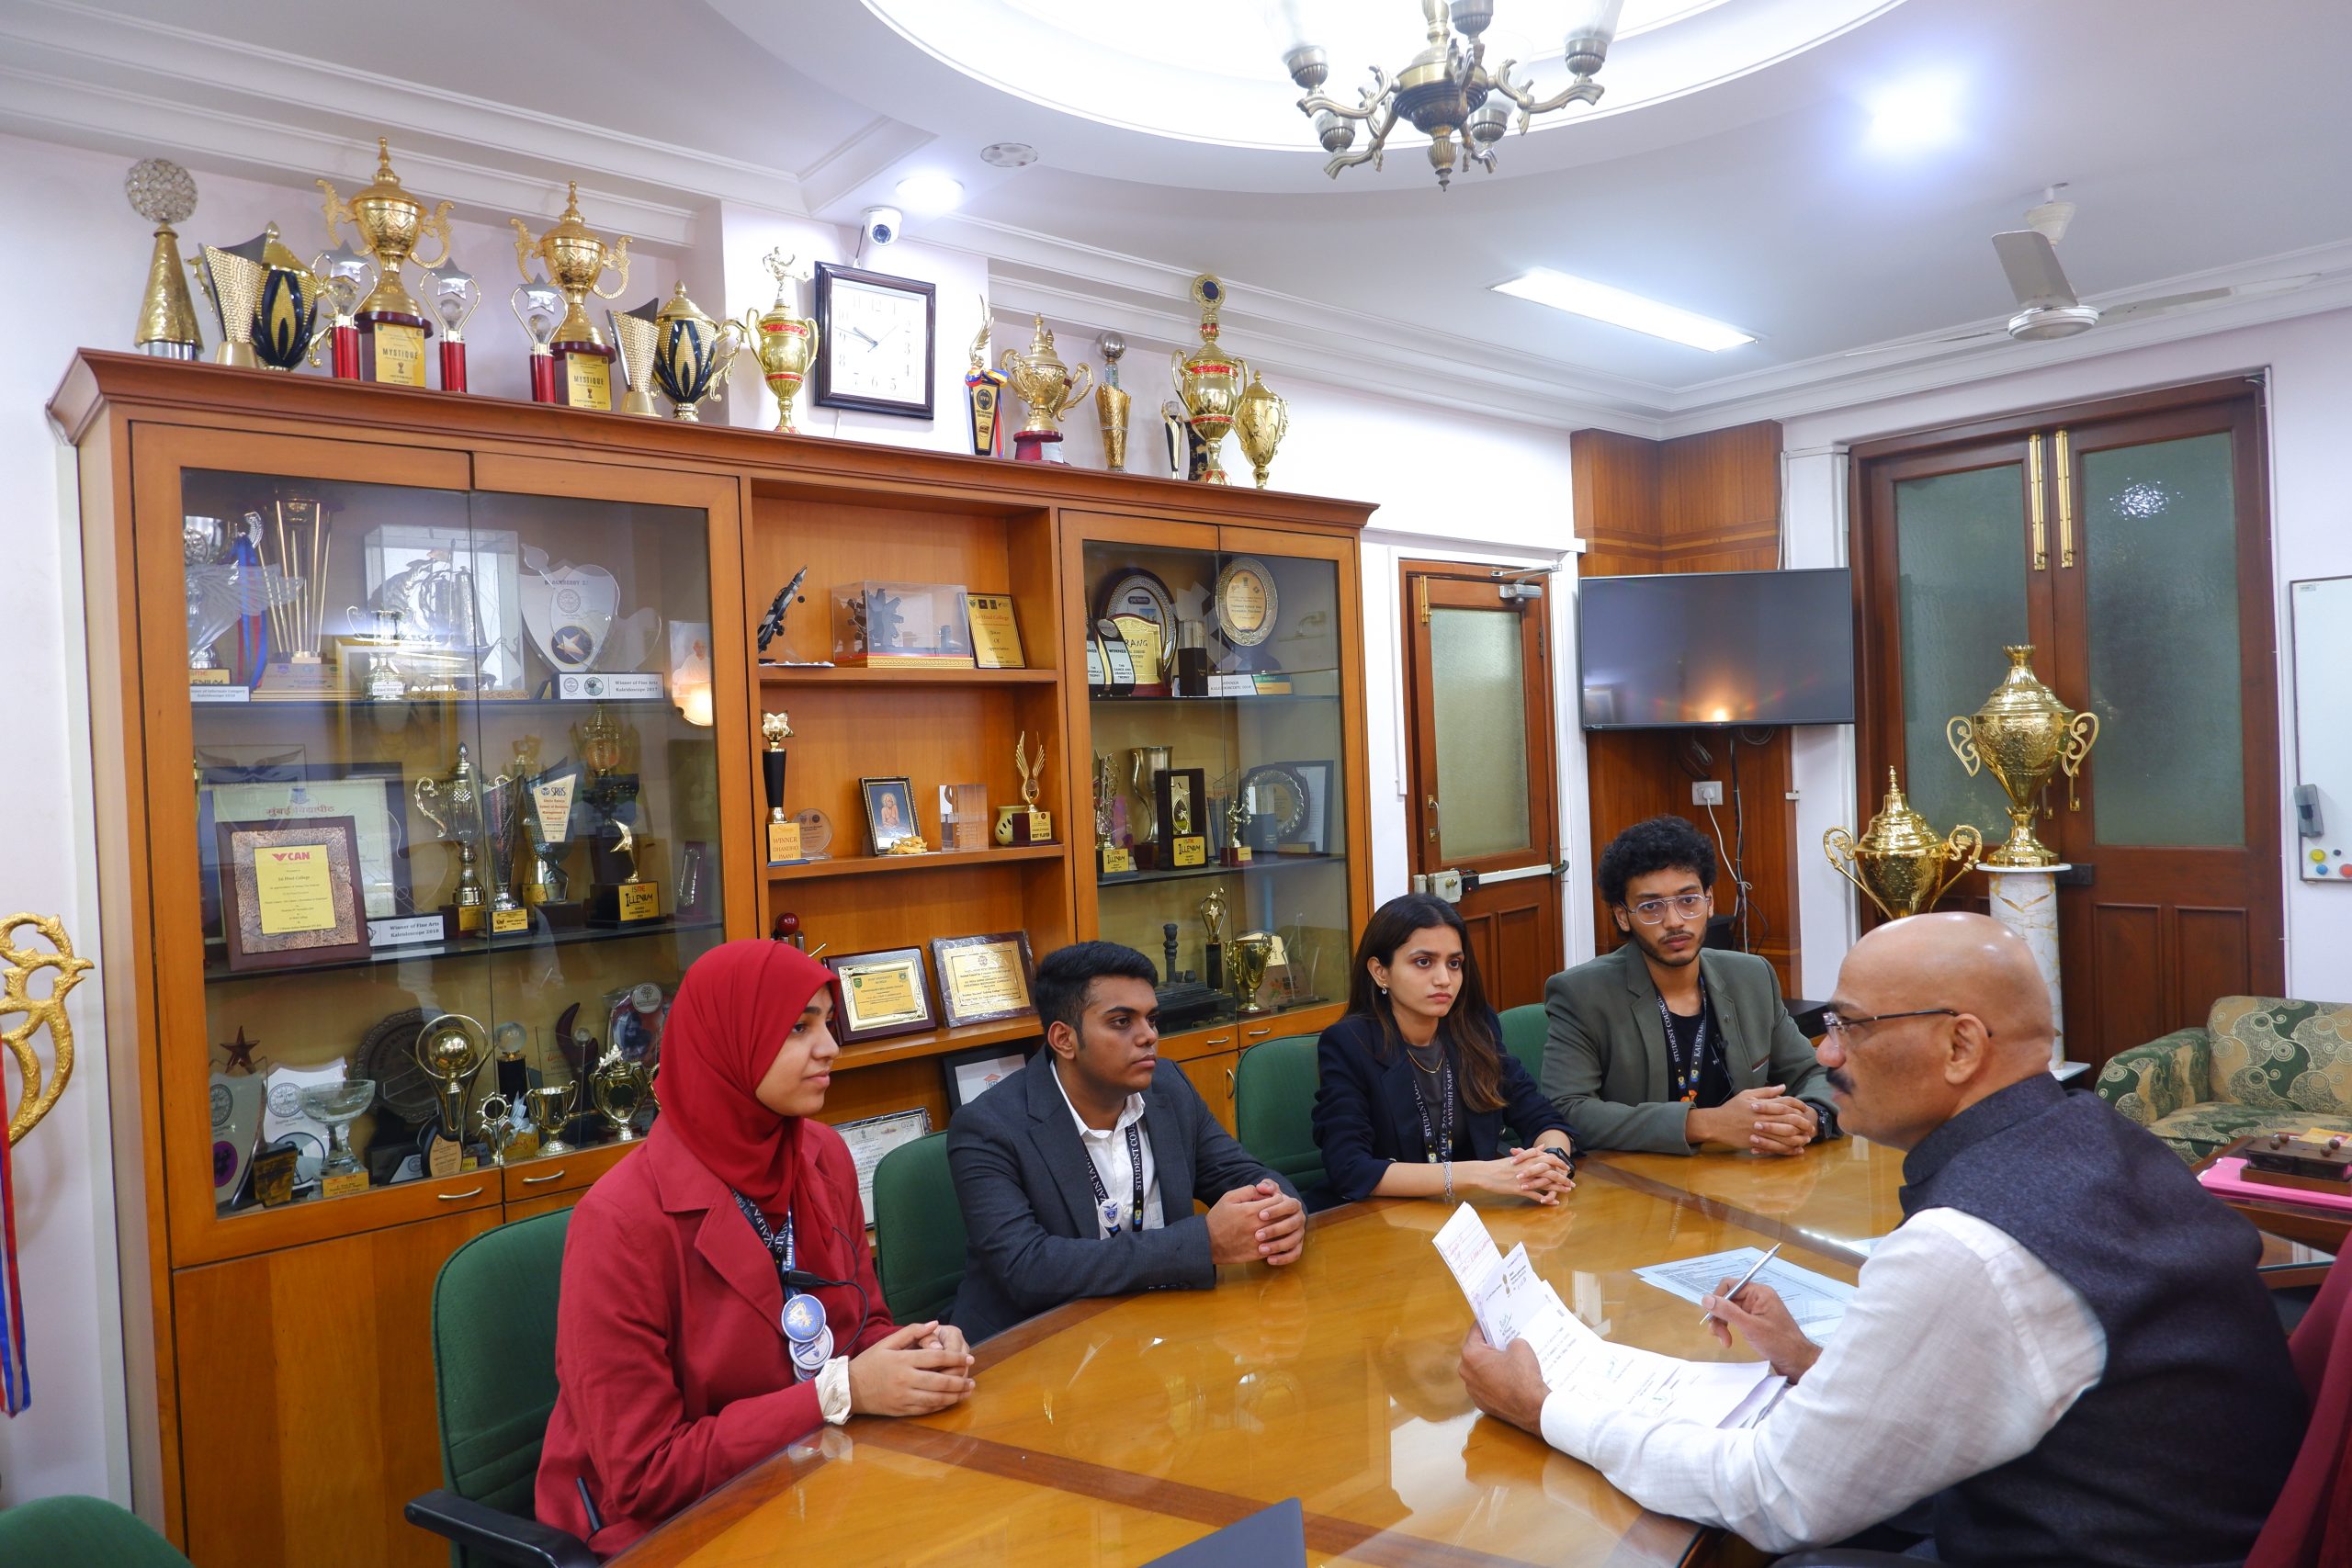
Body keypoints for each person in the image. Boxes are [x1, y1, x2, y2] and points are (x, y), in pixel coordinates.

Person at [1463, 912, 2307, 1565]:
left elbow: (1778, 1494)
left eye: (1850, 1025)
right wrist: (1814, 1363)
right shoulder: (2099, 1135)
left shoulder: (1968, 1243)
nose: (1826, 1052)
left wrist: (1547, 1408)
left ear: (1960, 1044)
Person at [537, 942, 975, 1554]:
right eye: (799, 1028)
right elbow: (645, 1476)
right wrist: (839, 1392)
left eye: (828, 1023)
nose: (830, 1047)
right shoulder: (619, 1221)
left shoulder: (821, 1153)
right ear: (726, 1044)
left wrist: (915, 1350)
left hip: (822, 1477)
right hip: (678, 1528)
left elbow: (862, 1326)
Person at [947, 941, 1306, 1343]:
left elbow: (1244, 1174)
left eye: (1152, 1019)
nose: (1148, 1036)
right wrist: (1202, 1243)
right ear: (1064, 1039)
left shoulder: (1168, 1086)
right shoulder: (988, 1127)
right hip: (1038, 1345)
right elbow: (1028, 1268)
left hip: (1158, 1331)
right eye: (1122, 1022)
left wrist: (1282, 1213)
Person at [1542, 815, 1835, 1156]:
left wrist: (1811, 1117)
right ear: (1623, 916)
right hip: (1640, 1179)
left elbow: (1813, 1071)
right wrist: (1705, 1124)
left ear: (1709, 902)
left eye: (1688, 900)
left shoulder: (1752, 976)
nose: (1674, 921)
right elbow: (1566, 1109)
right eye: (1651, 907)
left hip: (1747, 1173)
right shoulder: (1581, 994)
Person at [1311, 892, 1577, 1205]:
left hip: (1470, 1214)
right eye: (1423, 962)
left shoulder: (1475, 1027)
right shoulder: (1349, 1043)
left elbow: (1543, 1119)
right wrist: (1477, 1174)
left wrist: (1551, 1161)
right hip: (1385, 1217)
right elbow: (1349, 1169)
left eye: (1454, 963)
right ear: (1380, 971)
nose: (1444, 979)